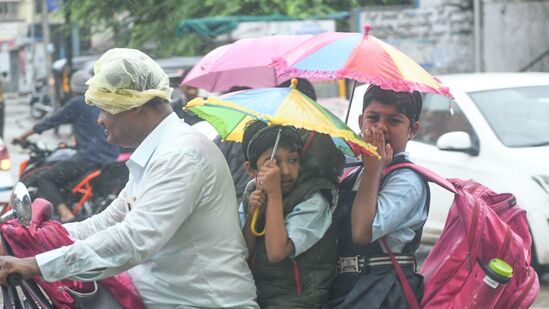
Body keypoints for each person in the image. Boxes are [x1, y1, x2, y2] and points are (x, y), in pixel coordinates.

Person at [0, 48, 258, 308]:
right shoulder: (160, 152)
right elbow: (105, 223)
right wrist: (29, 239)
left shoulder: (181, 155)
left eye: (105, 109)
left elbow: (133, 239)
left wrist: (35, 265)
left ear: (134, 106)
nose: (100, 119)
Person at [325, 85, 429, 309]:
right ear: (361, 121)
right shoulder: (353, 172)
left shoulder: (407, 180)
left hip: (384, 293)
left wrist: (373, 169)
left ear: (413, 129)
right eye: (373, 117)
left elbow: (362, 232)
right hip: (345, 288)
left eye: (394, 120)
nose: (381, 127)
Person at [239, 120, 338, 308]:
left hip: (300, 301)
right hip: (258, 297)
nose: (285, 171)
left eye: (292, 160)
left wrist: (274, 194)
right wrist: (254, 214)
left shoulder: (314, 198)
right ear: (251, 170)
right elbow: (243, 253)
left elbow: (277, 252)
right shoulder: (252, 192)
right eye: (273, 162)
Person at [13, 70, 120, 222]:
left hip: (91, 157)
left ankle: (65, 213)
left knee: (45, 179)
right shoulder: (100, 101)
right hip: (111, 155)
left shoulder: (77, 103)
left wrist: (22, 136)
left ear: (73, 88)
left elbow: (50, 121)